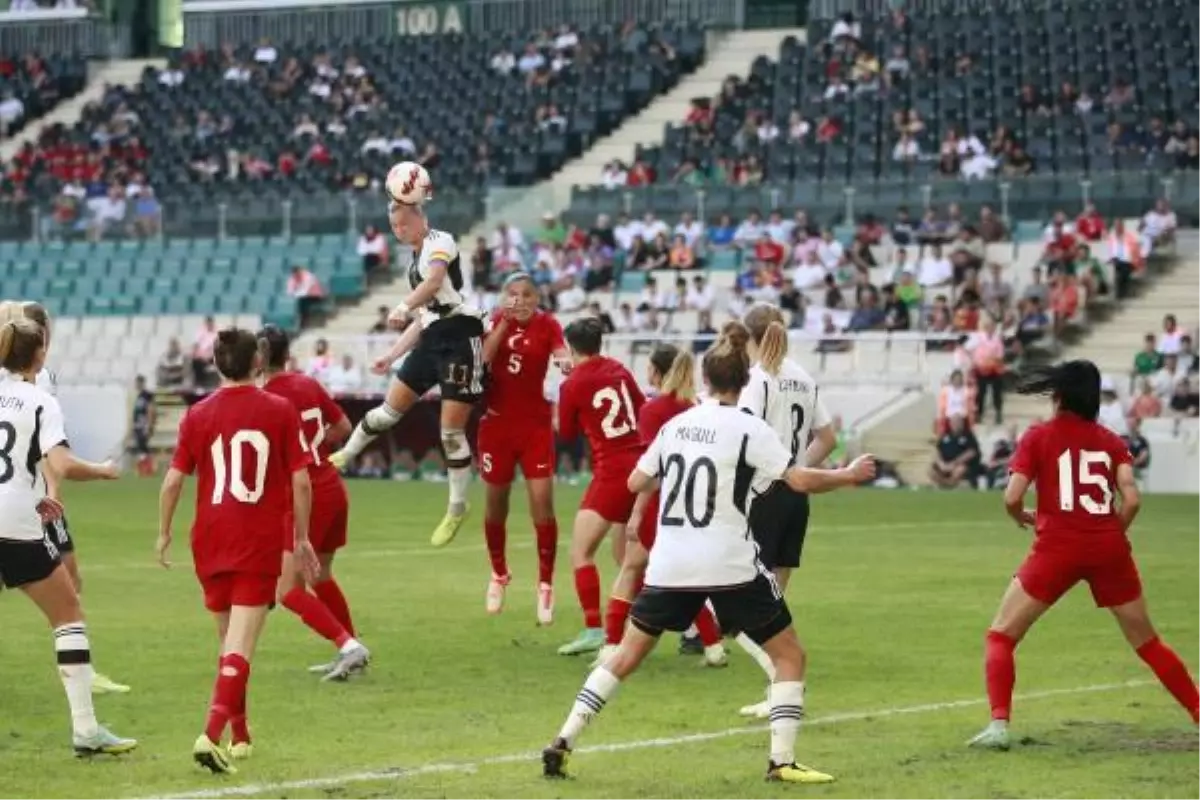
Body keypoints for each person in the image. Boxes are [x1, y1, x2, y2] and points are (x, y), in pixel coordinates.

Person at [541, 321, 876, 784]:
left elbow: (637, 481)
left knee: (625, 656)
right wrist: (847, 474)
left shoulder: (679, 424)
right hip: (728, 563)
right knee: (790, 656)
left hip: (670, 562)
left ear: (705, 380)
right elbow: (797, 479)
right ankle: (781, 761)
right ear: (745, 382)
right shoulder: (748, 428)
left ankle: (564, 738)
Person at [968, 360, 1200, 750]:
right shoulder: (1112, 441)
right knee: (1148, 642)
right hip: (1107, 547)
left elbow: (1011, 496)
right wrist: (1110, 532)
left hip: (1057, 547)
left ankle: (998, 726)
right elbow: (1132, 499)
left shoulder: (1038, 436)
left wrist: (1021, 515)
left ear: (1058, 396)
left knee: (1001, 636)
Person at [157, 328, 320, 773]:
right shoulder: (279, 409)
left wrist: (164, 532)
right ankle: (210, 736)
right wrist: (302, 538)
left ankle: (240, 734)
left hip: (208, 539)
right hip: (255, 539)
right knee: (241, 646)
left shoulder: (196, 414)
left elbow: (173, 480)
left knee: (229, 643)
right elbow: (301, 480)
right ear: (258, 365)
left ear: (215, 364)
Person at [0, 317, 135, 756]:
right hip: (19, 520)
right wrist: (103, 469)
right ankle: (85, 730)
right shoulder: (40, 401)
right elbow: (61, 465)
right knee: (68, 614)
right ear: (39, 353)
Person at [329, 197, 486, 548]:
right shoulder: (413, 262)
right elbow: (423, 318)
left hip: (461, 336)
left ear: (420, 217)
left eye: (404, 223)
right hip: (432, 337)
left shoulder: (440, 242)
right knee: (387, 412)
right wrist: (391, 353)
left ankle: (457, 507)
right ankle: (345, 455)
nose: (399, 231)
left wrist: (402, 304)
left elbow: (433, 284)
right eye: (394, 227)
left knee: (450, 432)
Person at [734, 303, 838, 719]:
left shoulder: (758, 379)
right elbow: (827, 437)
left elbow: (746, 437)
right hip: (796, 496)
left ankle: (783, 680)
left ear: (749, 337)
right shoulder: (803, 376)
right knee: (775, 594)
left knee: (748, 596)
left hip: (764, 493)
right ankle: (781, 685)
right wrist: (800, 469)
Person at [594, 344, 726, 668]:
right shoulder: (696, 406)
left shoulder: (653, 411)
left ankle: (610, 646)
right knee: (681, 576)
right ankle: (713, 646)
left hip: (661, 502)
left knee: (629, 569)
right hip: (694, 503)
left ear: (655, 371)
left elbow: (653, 468)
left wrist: (637, 512)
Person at [259, 326, 370, 681]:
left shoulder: (265, 399)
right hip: (332, 487)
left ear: (259, 359)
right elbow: (343, 426)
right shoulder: (306, 384)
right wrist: (316, 447)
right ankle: (350, 648)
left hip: (304, 495)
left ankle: (348, 646)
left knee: (289, 591)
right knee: (321, 576)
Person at [477, 273, 570, 623]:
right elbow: (484, 359)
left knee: (542, 504)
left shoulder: (548, 325)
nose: (520, 300)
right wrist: (503, 322)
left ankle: (545, 583)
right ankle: (499, 573)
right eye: (513, 294)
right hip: (497, 425)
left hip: (534, 427)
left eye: (526, 295)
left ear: (536, 298)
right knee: (495, 503)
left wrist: (564, 362)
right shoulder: (493, 321)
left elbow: (561, 352)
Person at [555, 317, 646, 656]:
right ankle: (679, 623)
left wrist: (570, 390)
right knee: (627, 557)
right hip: (641, 466)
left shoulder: (572, 385)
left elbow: (564, 433)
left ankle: (595, 629)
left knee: (581, 551)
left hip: (611, 471)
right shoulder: (619, 369)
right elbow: (642, 409)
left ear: (569, 346)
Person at [131, 374, 157, 477]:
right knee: (141, 448)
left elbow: (151, 410)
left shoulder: (147, 395)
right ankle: (146, 469)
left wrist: (149, 426)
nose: (137, 384)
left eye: (138, 382)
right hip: (138, 426)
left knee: (143, 447)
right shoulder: (139, 396)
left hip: (144, 425)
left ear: (142, 383)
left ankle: (147, 469)